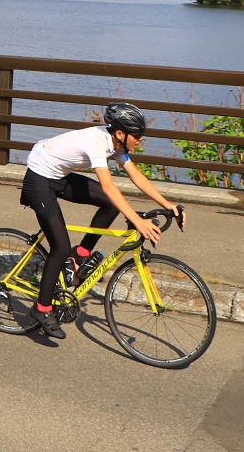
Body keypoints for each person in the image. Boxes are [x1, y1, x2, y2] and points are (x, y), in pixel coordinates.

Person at [20, 102, 185, 339]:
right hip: (39, 179)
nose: (140, 140)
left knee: (109, 206)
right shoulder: (96, 142)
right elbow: (109, 186)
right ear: (120, 133)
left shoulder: (116, 143)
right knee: (60, 247)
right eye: (137, 136)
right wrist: (137, 221)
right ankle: (41, 308)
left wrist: (167, 204)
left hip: (60, 175)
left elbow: (135, 174)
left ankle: (81, 255)